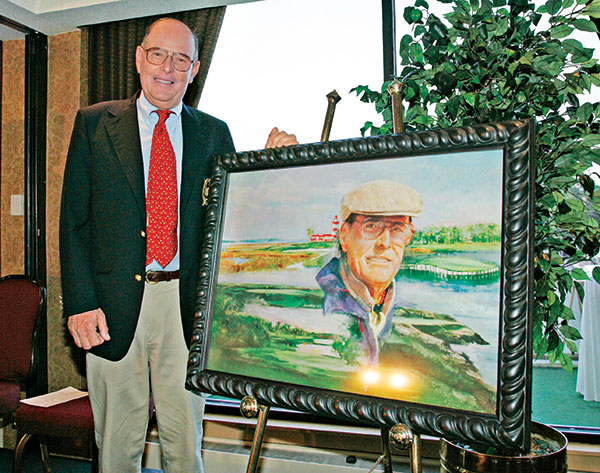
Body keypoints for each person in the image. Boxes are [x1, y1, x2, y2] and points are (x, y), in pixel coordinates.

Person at [59, 17, 297, 473]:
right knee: (114, 449)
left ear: (195, 69)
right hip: (110, 307)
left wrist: (272, 168)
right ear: (138, 57)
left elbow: (235, 218)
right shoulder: (94, 124)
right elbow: (74, 222)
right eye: (158, 54)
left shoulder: (214, 133)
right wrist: (81, 303)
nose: (167, 67)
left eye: (181, 58)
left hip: (185, 305)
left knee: (185, 444)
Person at [315, 180, 422, 366]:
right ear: (344, 236)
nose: (385, 243)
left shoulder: (411, 312)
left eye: (397, 229)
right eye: (372, 227)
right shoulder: (314, 304)